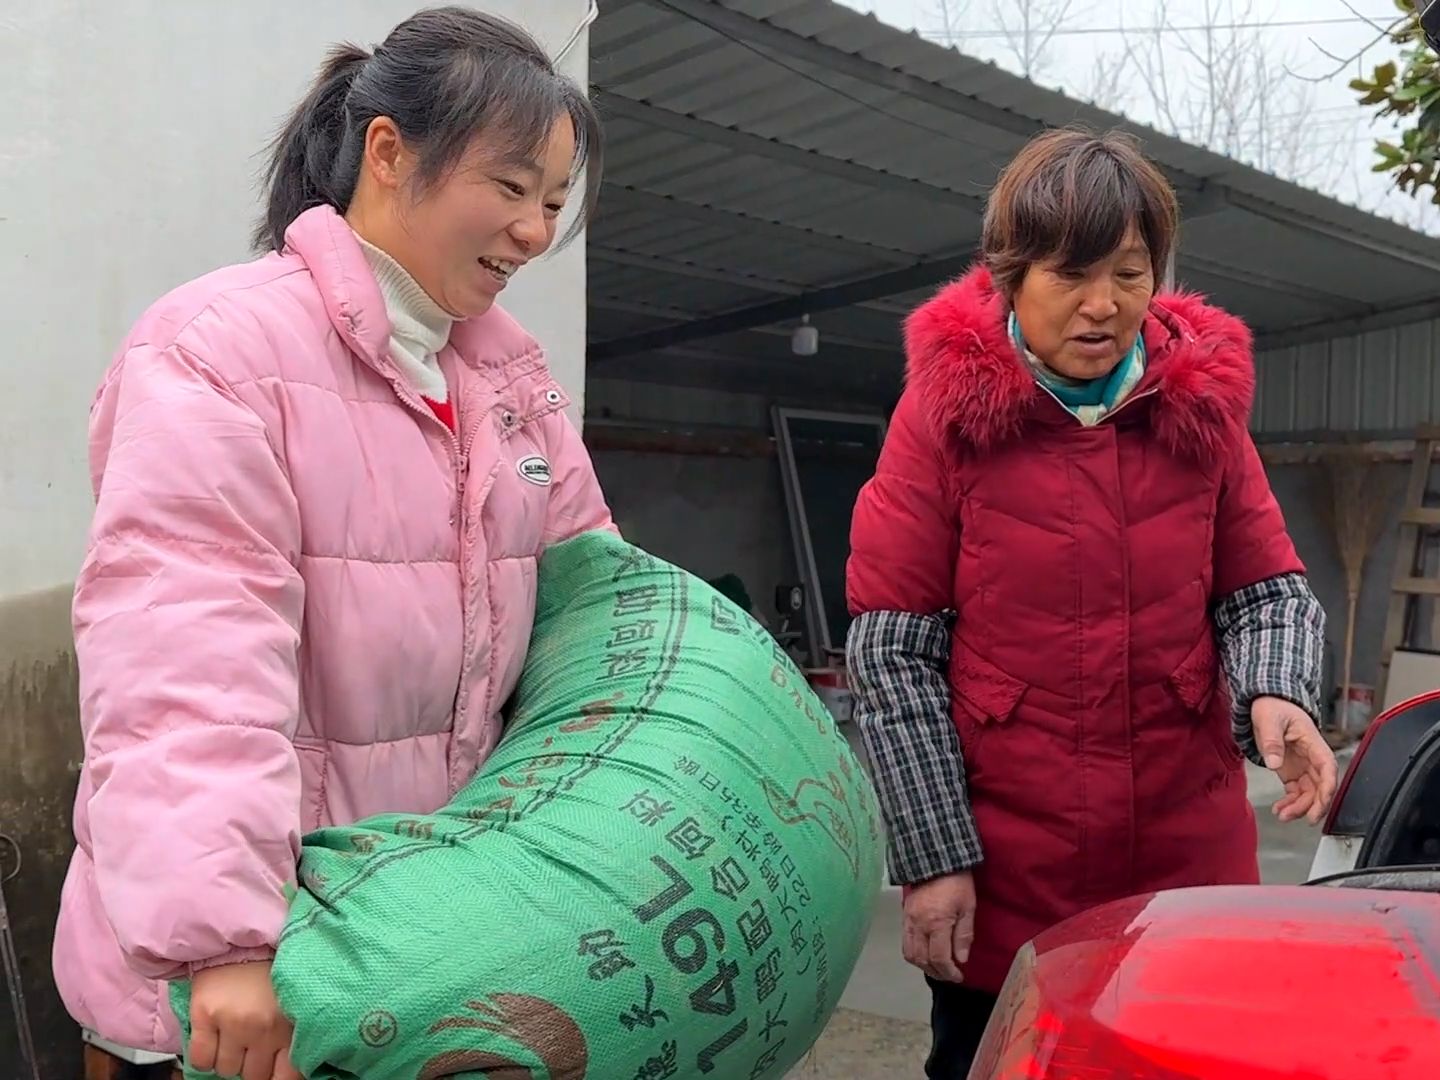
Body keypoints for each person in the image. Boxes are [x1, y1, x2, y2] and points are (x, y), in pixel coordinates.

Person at [51, 9, 610, 1079]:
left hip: (418, 958)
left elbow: (596, 612)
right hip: (239, 987)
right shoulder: (219, 354)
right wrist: (224, 944)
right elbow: (187, 664)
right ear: (390, 153)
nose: (535, 232)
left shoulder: (511, 383)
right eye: (508, 188)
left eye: (551, 201)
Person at [845, 127, 1338, 1077]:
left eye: (1129, 272)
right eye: (1071, 274)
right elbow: (893, 653)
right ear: (1009, 275)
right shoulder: (945, 420)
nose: (1104, 305)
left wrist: (1277, 693)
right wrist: (933, 858)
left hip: (1186, 863)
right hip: (1008, 870)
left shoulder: (1198, 407)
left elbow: (1265, 588)